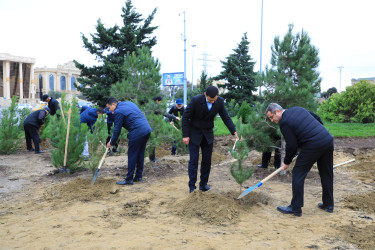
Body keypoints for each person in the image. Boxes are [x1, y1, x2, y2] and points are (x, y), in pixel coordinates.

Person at [266, 103, 334, 217]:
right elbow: (317, 118)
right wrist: (320, 133)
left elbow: (292, 146)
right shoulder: (298, 108)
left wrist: (286, 162)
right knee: (326, 173)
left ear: (278, 111)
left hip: (313, 145)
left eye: (272, 117)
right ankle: (329, 205)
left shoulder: (284, 123)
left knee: (298, 172)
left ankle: (295, 208)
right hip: (327, 140)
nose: (272, 120)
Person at [182, 86, 239, 193]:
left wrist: (234, 131)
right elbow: (185, 117)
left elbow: (225, 117)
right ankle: (192, 186)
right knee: (193, 161)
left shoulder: (220, 101)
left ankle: (203, 184)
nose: (213, 102)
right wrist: (185, 135)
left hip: (208, 134)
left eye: (214, 100)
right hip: (194, 133)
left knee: (207, 160)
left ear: (217, 96)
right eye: (210, 100)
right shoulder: (196, 100)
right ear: (205, 94)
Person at [106, 97, 152, 185]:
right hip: (147, 129)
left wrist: (111, 143)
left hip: (137, 131)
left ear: (113, 104)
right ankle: (138, 176)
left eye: (109, 108)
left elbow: (117, 130)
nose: (109, 110)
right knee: (140, 154)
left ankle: (129, 179)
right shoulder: (127, 103)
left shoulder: (118, 111)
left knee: (132, 155)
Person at [149, 95, 178, 162]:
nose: (161, 103)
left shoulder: (149, 106)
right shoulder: (155, 106)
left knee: (150, 142)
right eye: (160, 101)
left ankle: (152, 158)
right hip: (153, 127)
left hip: (149, 125)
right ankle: (152, 158)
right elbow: (165, 114)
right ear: (157, 100)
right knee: (152, 142)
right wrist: (175, 117)